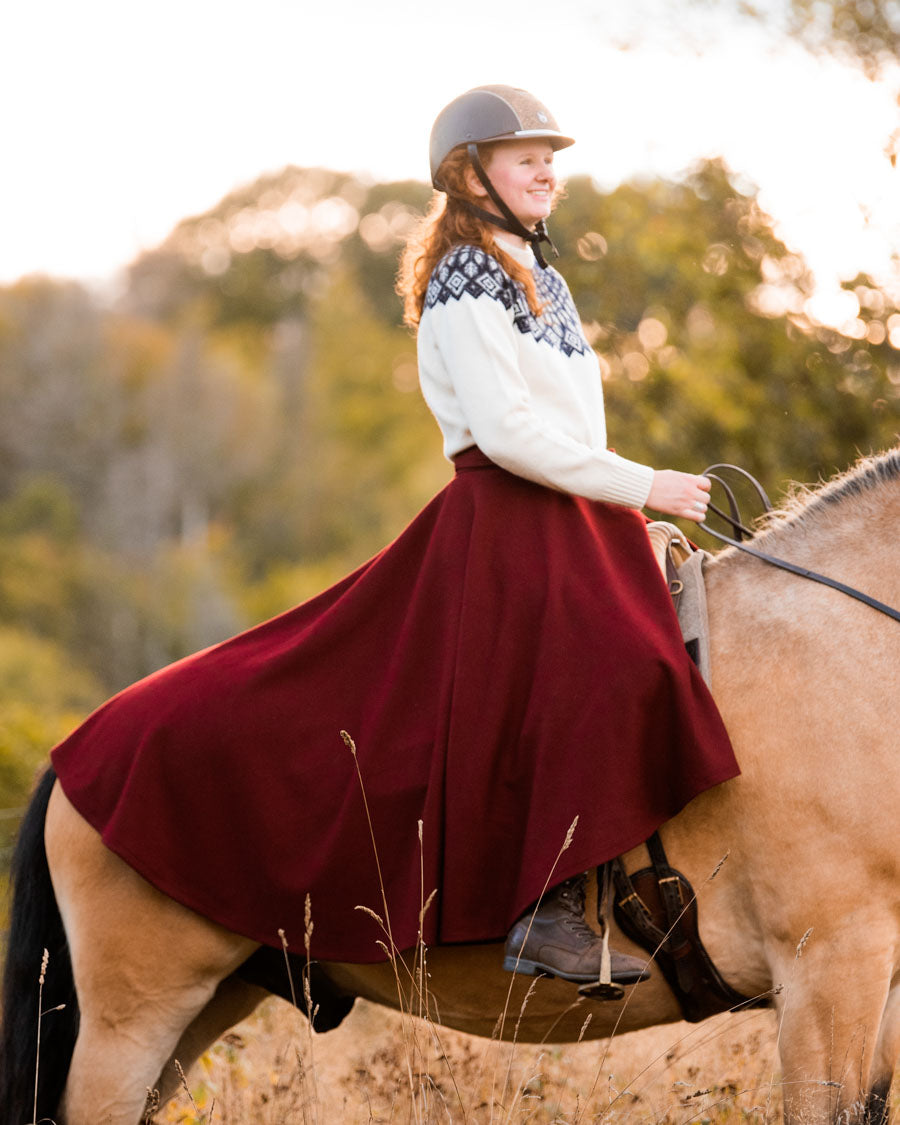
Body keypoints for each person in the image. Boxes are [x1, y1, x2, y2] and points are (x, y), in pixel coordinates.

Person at [50, 85, 739, 994]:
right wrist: (643, 483)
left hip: (568, 511)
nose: (547, 172)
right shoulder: (465, 277)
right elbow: (507, 432)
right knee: (609, 661)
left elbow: (573, 427)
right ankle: (549, 905)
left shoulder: (545, 277)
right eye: (526, 158)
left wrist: (622, 511)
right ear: (470, 175)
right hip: (508, 514)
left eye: (551, 159)